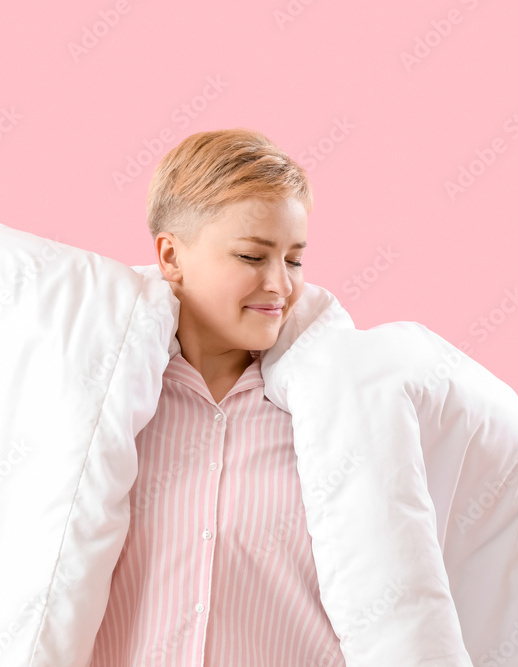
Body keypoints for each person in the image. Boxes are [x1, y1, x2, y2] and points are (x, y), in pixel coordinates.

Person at [89, 128, 344, 665]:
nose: (280, 285)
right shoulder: (102, 407)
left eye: (294, 260)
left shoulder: (333, 412)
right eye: (253, 256)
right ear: (170, 255)